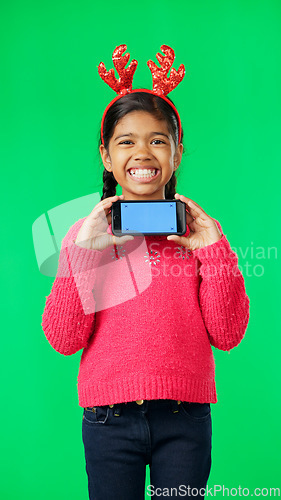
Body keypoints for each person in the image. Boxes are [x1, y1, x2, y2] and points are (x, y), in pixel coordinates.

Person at [41, 45, 250, 500]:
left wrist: (214, 251)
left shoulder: (201, 232)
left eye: (158, 140)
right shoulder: (83, 233)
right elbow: (63, 338)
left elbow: (229, 333)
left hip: (185, 415)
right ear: (106, 155)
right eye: (126, 141)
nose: (143, 152)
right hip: (107, 418)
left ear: (177, 154)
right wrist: (82, 254)